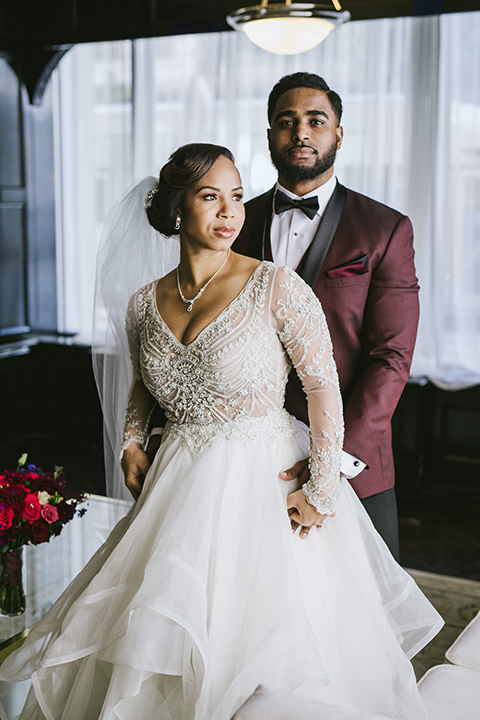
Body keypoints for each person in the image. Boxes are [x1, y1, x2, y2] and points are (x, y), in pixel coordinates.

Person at [0, 144, 442, 720]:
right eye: (211, 197)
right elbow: (142, 382)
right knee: (154, 635)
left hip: (266, 490)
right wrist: (131, 440)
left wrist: (324, 488)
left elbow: (323, 389)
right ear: (177, 209)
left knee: (264, 644)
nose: (230, 212)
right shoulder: (142, 304)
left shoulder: (278, 287)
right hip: (176, 484)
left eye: (237, 195)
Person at [233, 73, 420, 560]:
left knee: (367, 617)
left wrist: (329, 462)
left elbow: (392, 357)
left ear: (338, 133)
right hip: (249, 453)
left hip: (350, 461)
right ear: (269, 134)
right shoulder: (235, 223)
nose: (301, 133)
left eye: (316, 121)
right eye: (286, 121)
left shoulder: (385, 229)